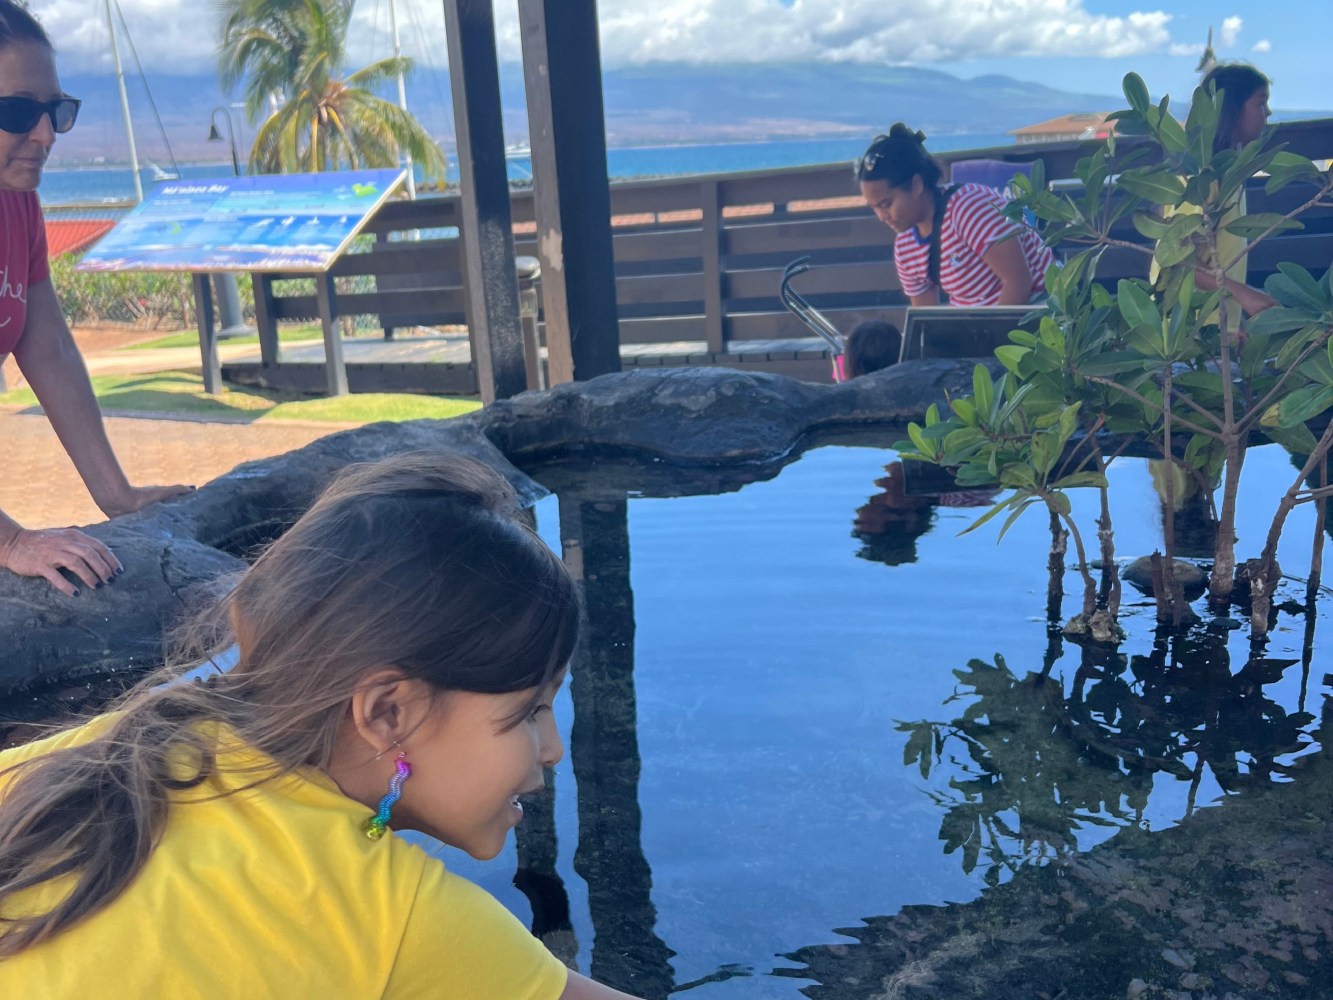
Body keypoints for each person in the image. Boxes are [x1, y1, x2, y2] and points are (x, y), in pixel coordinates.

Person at [0, 451, 644, 999]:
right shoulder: (393, 915)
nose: (553, 749)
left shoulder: (104, 750)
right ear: (386, 712)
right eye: (529, 711)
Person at [0, 0, 189, 598]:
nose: (45, 134)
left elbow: (48, 346)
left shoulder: (17, 201)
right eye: (17, 111)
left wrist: (118, 495)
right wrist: (9, 542)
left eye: (56, 111)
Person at [856, 123, 1054, 308]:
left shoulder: (969, 208)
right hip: (978, 325)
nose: (882, 216)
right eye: (874, 207)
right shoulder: (905, 247)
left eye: (886, 204)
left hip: (1041, 308)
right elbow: (926, 318)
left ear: (917, 185)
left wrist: (994, 341)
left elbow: (1018, 282)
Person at [1190, 62, 1278, 319]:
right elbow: (1176, 262)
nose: (1268, 112)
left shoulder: (1230, 177)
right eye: (1260, 103)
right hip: (1188, 340)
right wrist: (1244, 294)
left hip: (1218, 334)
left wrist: (1234, 324)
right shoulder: (1200, 178)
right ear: (1232, 110)